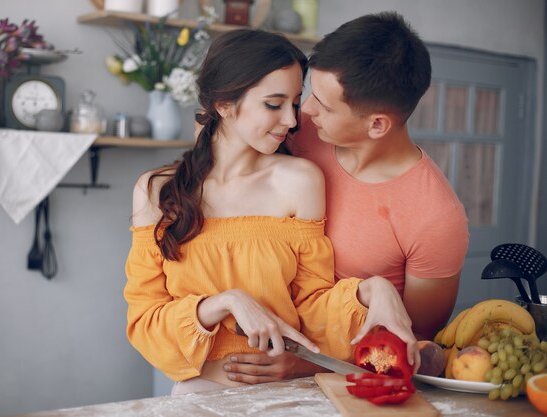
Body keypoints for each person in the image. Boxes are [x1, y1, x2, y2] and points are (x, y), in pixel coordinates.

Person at [124, 28, 418, 395]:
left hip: (290, 394)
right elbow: (143, 321)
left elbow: (312, 306)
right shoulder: (157, 191)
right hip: (199, 394)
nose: (293, 121)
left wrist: (375, 291)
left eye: (295, 103)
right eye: (273, 104)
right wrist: (225, 303)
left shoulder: (301, 181)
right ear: (224, 104)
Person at [223, 11, 469, 384]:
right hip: (238, 352)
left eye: (323, 103)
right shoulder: (295, 131)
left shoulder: (436, 218)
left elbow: (413, 346)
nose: (304, 111)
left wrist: (305, 365)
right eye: (309, 93)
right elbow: (220, 135)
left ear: (377, 124)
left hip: (338, 386)